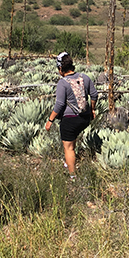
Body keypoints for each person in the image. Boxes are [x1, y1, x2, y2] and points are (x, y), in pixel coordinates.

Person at [45, 52, 97, 180]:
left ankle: (72, 176)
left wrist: (50, 120)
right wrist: (92, 110)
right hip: (84, 118)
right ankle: (69, 163)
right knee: (72, 141)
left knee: (68, 148)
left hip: (70, 120)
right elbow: (94, 95)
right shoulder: (84, 77)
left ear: (61, 68)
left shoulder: (63, 83)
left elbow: (60, 104)